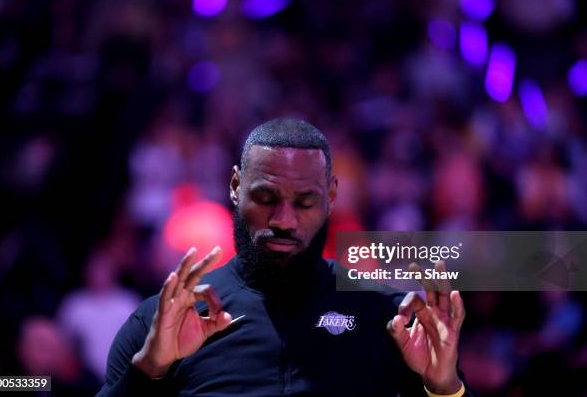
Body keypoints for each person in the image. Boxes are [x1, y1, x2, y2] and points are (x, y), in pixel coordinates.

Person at [97, 118, 470, 396]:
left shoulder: (393, 322)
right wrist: (149, 370)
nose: (284, 220)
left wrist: (444, 387)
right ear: (235, 187)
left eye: (305, 202)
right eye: (265, 198)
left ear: (331, 196)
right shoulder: (161, 325)